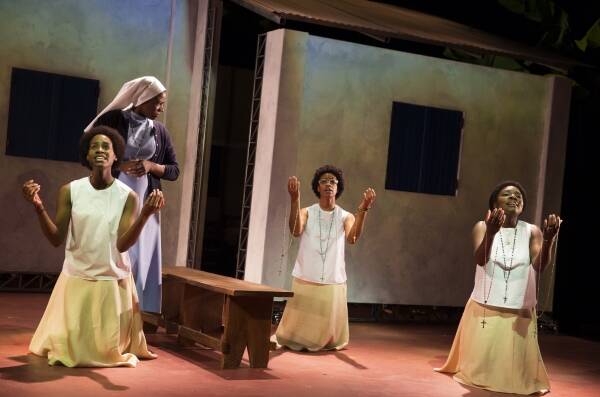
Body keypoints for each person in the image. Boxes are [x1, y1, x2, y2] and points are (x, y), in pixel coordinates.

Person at [22, 126, 164, 367]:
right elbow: (57, 238)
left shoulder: (127, 196)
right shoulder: (71, 190)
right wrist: (38, 207)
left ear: (116, 155)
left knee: (105, 349)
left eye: (106, 146)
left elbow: (122, 244)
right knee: (69, 347)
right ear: (87, 156)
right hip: (77, 276)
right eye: (94, 147)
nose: (100, 150)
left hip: (112, 279)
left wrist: (145, 215)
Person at [435, 181, 562, 394]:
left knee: (516, 370)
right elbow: (480, 259)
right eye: (507, 194)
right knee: (480, 368)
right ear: (495, 203)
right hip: (485, 306)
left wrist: (548, 239)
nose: (514, 197)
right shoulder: (482, 227)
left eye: (518, 195)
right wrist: (492, 233)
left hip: (519, 307)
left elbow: (539, 266)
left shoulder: (532, 231)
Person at [84, 76, 179, 314]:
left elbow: (174, 170)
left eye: (162, 103)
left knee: (141, 256)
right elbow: (90, 154)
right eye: (157, 102)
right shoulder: (113, 120)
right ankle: (106, 307)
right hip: (113, 197)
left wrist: (150, 166)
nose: (160, 108)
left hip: (146, 200)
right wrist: (119, 167)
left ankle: (136, 311)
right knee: (115, 252)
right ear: (141, 99)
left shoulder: (159, 131)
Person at [273, 165, 376, 351]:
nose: (329, 184)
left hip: (332, 275)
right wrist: (295, 199)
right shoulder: (307, 212)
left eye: (333, 181)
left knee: (327, 326)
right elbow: (296, 230)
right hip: (307, 272)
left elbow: (352, 238)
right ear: (317, 187)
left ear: (338, 188)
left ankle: (325, 340)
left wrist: (363, 210)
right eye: (324, 181)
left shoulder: (345, 216)